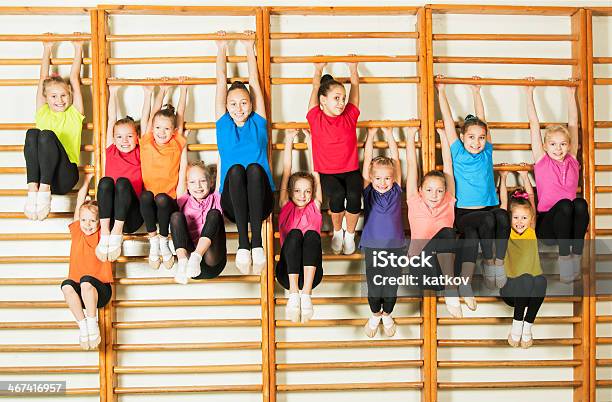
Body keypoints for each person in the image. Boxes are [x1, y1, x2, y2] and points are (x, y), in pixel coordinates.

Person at [437, 75, 510, 310]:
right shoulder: (457, 152)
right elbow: (448, 121)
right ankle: (490, 263)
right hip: (464, 212)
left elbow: (483, 120)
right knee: (489, 218)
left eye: (481, 138)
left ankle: (496, 262)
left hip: (488, 208)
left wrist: (476, 92)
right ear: (461, 138)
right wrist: (442, 91)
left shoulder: (487, 152)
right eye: (471, 137)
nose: (477, 142)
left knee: (501, 217)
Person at [215, 30, 274, 274]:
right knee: (238, 170)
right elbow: (221, 81)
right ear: (226, 107)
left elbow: (254, 81)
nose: (239, 108)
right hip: (232, 200)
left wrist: (250, 47)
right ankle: (243, 243)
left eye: (243, 102)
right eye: (233, 104)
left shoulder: (258, 122)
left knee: (253, 169)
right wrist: (221, 48)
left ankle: (256, 242)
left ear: (251, 104)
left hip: (262, 197)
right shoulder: (223, 124)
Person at [525, 77, 588, 283]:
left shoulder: (572, 160)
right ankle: (564, 259)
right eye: (553, 144)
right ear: (545, 146)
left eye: (562, 144)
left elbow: (573, 124)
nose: (558, 148)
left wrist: (571, 93)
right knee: (565, 204)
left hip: (568, 226)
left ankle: (576, 257)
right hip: (548, 227)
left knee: (579, 203)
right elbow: (534, 125)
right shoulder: (542, 161)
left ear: (569, 146)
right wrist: (529, 93)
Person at [24, 34, 85, 221]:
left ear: (70, 96)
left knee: (46, 135)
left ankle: (44, 191)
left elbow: (74, 78)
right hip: (44, 175)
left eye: (63, 96)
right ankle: (33, 188)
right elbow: (43, 78)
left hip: (65, 177)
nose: (59, 100)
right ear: (46, 97)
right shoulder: (43, 113)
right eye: (53, 96)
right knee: (33, 133)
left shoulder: (74, 114)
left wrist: (78, 48)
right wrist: (47, 48)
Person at [307, 59, 361, 255]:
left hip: (351, 169)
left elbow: (355, 87)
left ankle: (350, 234)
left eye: (343, 98)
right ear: (323, 100)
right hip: (328, 172)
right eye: (336, 98)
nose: (341, 102)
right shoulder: (315, 118)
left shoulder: (349, 115)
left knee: (355, 197)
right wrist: (318, 70)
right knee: (337, 196)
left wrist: (353, 68)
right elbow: (315, 88)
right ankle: (338, 231)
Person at [406, 127, 459, 317]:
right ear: (421, 189)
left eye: (439, 190)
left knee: (453, 234)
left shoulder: (448, 200)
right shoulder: (414, 200)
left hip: (442, 274)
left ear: (446, 190)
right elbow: (412, 165)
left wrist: (444, 136)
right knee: (447, 232)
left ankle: (457, 288)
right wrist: (410, 137)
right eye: (429, 190)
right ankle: (453, 290)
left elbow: (448, 167)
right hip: (421, 270)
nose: (434, 195)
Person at [95, 84, 151, 261]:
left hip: (132, 217)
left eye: (129, 136)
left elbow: (146, 122)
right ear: (113, 138)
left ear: (137, 137)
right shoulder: (111, 150)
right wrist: (113, 92)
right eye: (119, 137)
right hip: (110, 217)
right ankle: (105, 233)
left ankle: (116, 234)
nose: (124, 141)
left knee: (122, 183)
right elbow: (111, 119)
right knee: (105, 182)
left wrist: (148, 94)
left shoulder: (141, 150)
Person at [360, 127, 405, 337]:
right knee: (374, 285)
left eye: (387, 178)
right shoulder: (369, 192)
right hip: (372, 246)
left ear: (393, 178)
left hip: (395, 247)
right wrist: (369, 137)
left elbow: (396, 161)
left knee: (391, 286)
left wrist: (389, 136)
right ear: (371, 177)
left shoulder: (397, 190)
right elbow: (367, 161)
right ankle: (374, 314)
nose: (383, 182)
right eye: (378, 178)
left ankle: (387, 314)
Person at [139, 79, 188, 270]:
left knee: (160, 198)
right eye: (158, 128)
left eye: (167, 128)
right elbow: (150, 117)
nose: (161, 132)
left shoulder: (176, 143)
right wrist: (162, 92)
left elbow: (180, 116)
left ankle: (164, 241)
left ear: (174, 131)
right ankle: (154, 242)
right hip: (149, 203)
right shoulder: (147, 141)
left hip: (168, 200)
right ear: (153, 128)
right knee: (146, 195)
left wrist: (184, 91)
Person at [60, 173, 113, 350]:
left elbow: (105, 210)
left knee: (86, 281)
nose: (87, 224)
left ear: (100, 222)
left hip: (101, 291)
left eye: (92, 220)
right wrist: (86, 182)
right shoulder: (77, 232)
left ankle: (92, 323)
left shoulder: (102, 234)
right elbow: (79, 203)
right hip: (81, 293)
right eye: (84, 220)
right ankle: (83, 327)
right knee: (67, 285)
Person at [276, 128, 323, 323]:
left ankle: (306, 294)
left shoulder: (315, 206)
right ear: (290, 191)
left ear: (312, 192)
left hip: (312, 276)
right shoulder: (285, 206)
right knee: (295, 234)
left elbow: (316, 172)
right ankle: (294, 294)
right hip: (287, 275)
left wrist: (311, 141)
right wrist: (288, 141)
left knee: (311, 236)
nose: (302, 195)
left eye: (307, 191)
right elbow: (287, 170)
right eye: (297, 191)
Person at [499, 168, 547, 348]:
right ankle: (516, 326)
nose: (520, 222)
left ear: (531, 218)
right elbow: (503, 204)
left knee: (540, 281)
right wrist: (503, 179)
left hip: (529, 291)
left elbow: (532, 199)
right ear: (509, 219)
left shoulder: (531, 231)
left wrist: (525, 177)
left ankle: (527, 326)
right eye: (516, 217)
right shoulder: (506, 232)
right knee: (526, 278)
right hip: (510, 291)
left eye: (524, 218)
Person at [170, 162, 227, 284]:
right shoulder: (184, 200)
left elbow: (221, 163)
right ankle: (182, 262)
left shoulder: (216, 198)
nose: (198, 186)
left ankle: (197, 256)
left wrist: (220, 146)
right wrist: (184, 145)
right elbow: (182, 171)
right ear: (187, 186)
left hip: (212, 262)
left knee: (214, 214)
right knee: (176, 216)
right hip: (189, 265)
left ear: (211, 182)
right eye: (192, 182)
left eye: (202, 181)